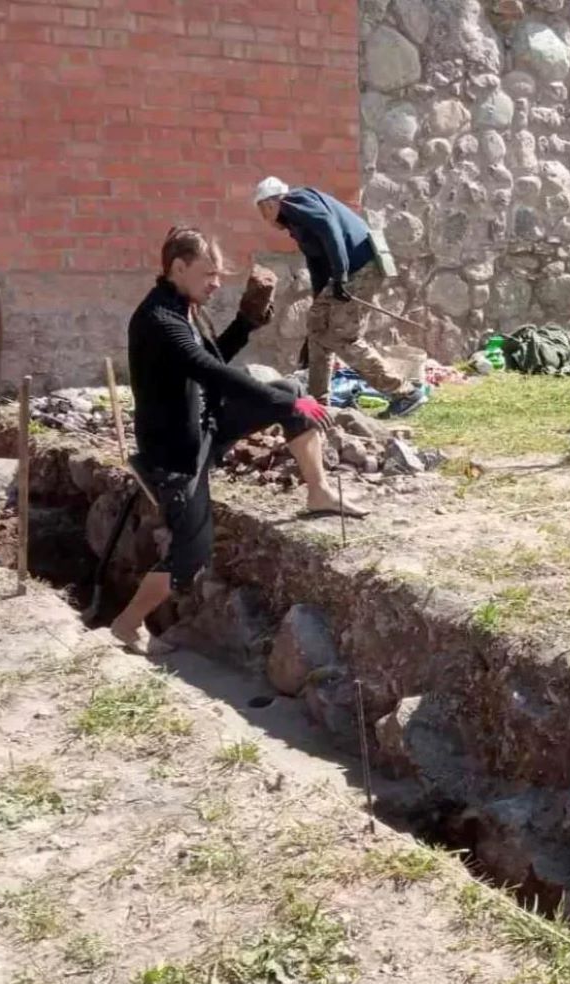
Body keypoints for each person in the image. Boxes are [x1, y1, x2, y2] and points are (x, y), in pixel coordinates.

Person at [110, 226, 367, 655]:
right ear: (178, 267)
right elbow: (209, 371)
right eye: (209, 273)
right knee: (190, 556)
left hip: (204, 427)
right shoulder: (159, 319)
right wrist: (273, 398)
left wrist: (245, 323)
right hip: (176, 453)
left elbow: (210, 360)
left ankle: (319, 492)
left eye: (219, 274)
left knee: (289, 394)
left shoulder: (183, 308)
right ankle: (126, 624)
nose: (216, 282)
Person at [252, 177, 428, 418]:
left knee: (343, 337)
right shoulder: (297, 219)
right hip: (349, 269)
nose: (264, 218)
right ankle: (319, 401)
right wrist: (319, 298)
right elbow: (316, 261)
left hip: (358, 267)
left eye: (263, 210)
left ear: (271, 204)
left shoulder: (293, 202)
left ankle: (405, 392)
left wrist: (340, 275)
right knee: (317, 328)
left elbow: (328, 225)